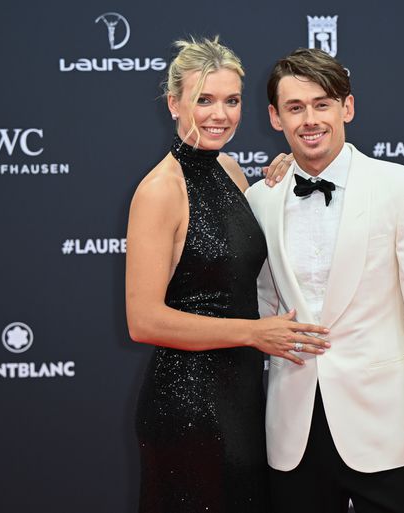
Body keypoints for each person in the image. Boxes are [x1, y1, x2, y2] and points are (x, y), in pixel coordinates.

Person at [246, 48, 404, 513]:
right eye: (295, 107)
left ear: (347, 107)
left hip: (388, 433)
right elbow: (260, 309)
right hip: (293, 435)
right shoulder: (260, 199)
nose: (310, 120)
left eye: (322, 104)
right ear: (275, 117)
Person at [125, 37, 329, 513]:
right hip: (188, 405)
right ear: (174, 103)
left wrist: (287, 171)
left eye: (231, 101)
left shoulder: (231, 170)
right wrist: (254, 333)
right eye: (204, 100)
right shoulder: (160, 190)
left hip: (242, 398)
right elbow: (143, 321)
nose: (220, 114)